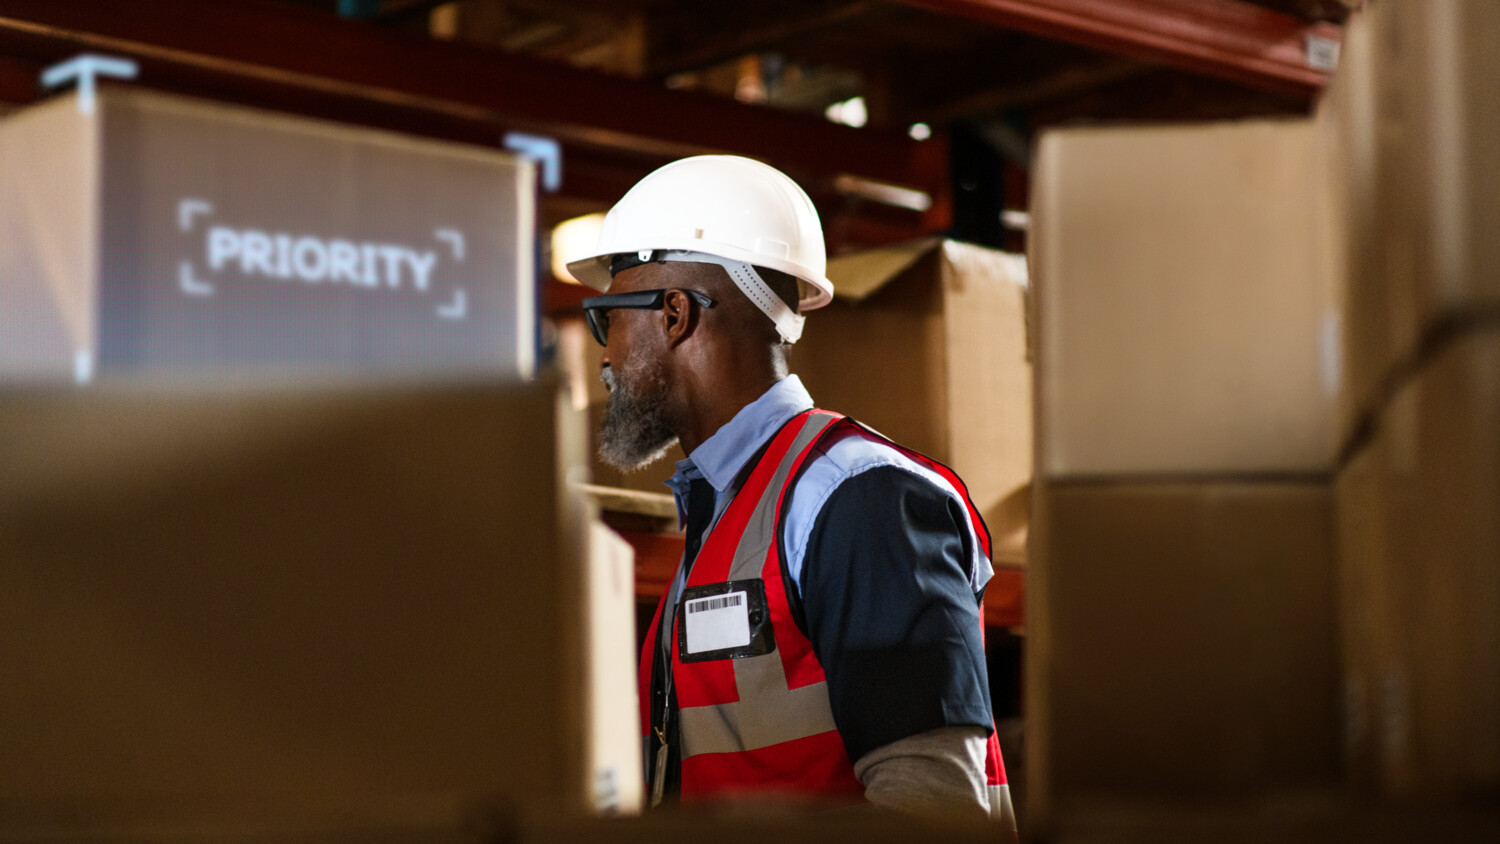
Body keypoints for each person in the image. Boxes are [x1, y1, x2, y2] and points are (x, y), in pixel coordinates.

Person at [567, 155, 1015, 830]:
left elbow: (935, 808)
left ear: (675, 313)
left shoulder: (860, 498)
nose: (603, 355)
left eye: (607, 319)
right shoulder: (725, 513)